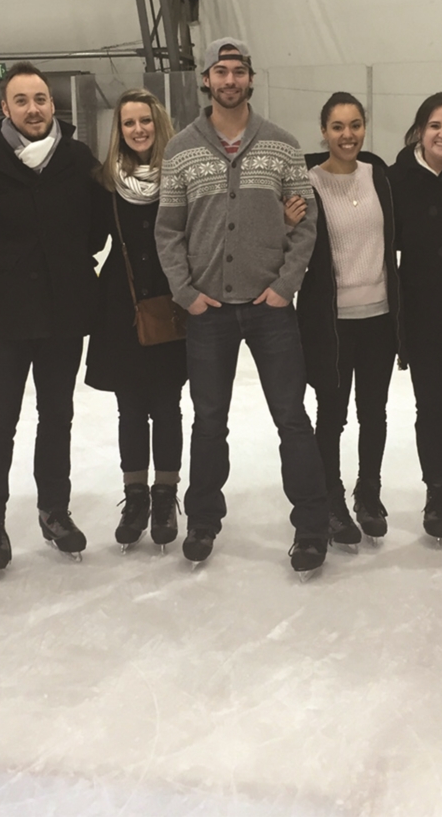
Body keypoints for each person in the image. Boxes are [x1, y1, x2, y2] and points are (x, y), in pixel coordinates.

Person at [154, 37, 329, 575]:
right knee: (209, 421)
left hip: (270, 307)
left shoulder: (282, 145)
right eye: (219, 72)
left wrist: (284, 286)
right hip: (209, 311)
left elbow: (307, 226)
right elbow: (168, 230)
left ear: (250, 79)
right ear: (206, 80)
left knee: (292, 419)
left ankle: (312, 526)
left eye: (238, 72)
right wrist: (186, 293)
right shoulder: (181, 148)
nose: (229, 80)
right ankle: (203, 519)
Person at [0, 62, 109, 571]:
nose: (33, 108)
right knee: (0, 420)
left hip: (63, 314)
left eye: (40, 98)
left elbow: (97, 231)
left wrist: (70, 272)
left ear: (53, 103)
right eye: (22, 100)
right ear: (5, 108)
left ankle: (54, 510)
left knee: (57, 417)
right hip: (3, 318)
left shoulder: (79, 158)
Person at [83, 89, 187, 551]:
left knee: (166, 406)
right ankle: (136, 496)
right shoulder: (104, 183)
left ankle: (165, 495)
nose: (138, 129)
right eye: (128, 123)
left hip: (170, 304)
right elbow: (84, 238)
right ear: (118, 131)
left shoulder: (179, 176)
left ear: (157, 123)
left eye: (145, 120)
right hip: (121, 309)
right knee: (130, 410)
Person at [296, 92, 400, 547]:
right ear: (324, 131)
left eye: (355, 125)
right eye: (337, 126)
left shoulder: (379, 176)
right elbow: (290, 241)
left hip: (379, 317)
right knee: (332, 415)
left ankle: (369, 493)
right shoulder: (306, 181)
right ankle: (332, 500)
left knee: (373, 412)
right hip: (330, 322)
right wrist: (287, 221)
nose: (347, 135)